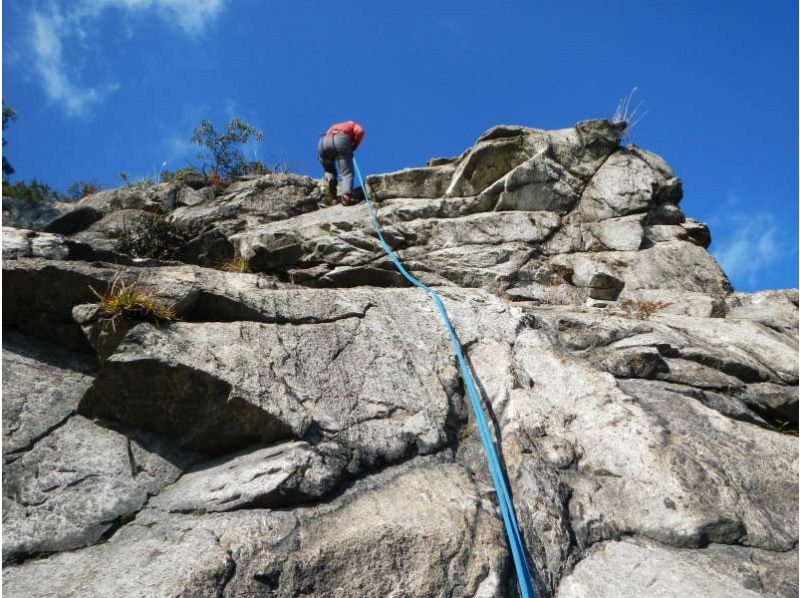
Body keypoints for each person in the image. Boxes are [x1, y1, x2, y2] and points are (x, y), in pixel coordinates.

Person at [317, 120, 364, 206]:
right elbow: (360, 131)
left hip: (323, 143)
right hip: (340, 140)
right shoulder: (353, 124)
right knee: (346, 172)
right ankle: (346, 196)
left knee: (329, 169)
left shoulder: (334, 125)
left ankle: (331, 181)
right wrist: (354, 145)